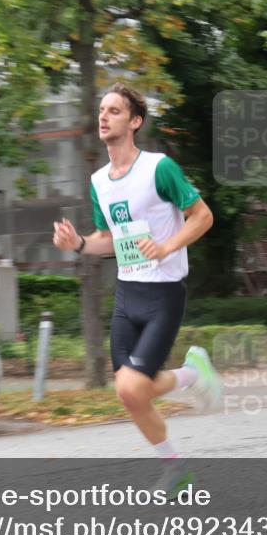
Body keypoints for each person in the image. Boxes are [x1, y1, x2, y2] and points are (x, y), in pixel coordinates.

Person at [53, 82, 221, 496]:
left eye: (114, 111)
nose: (104, 117)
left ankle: (190, 376)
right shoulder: (99, 181)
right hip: (128, 295)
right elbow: (106, 240)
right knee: (130, 394)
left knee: (132, 385)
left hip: (164, 292)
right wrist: (77, 244)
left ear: (135, 121)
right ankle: (176, 459)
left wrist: (165, 246)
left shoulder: (159, 168)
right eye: (101, 111)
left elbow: (202, 217)